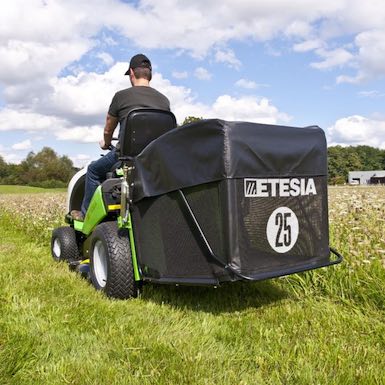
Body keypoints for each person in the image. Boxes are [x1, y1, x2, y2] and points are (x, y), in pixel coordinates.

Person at [71, 54, 171, 221]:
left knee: (93, 171)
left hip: (126, 157)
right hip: (154, 159)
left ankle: (85, 214)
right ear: (150, 74)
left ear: (132, 73)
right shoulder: (164, 100)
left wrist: (106, 143)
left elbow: (108, 128)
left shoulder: (121, 96)